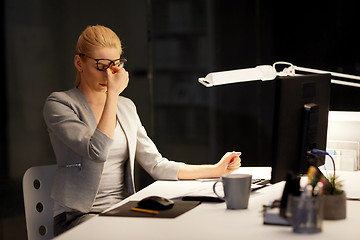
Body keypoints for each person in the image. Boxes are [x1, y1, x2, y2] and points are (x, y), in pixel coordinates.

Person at [43, 25, 241, 236]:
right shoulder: (60, 104)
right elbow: (97, 151)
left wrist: (215, 169)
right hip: (78, 217)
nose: (109, 74)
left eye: (115, 65)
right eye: (101, 66)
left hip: (121, 211)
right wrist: (113, 94)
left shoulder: (126, 106)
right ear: (79, 63)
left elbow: (156, 164)